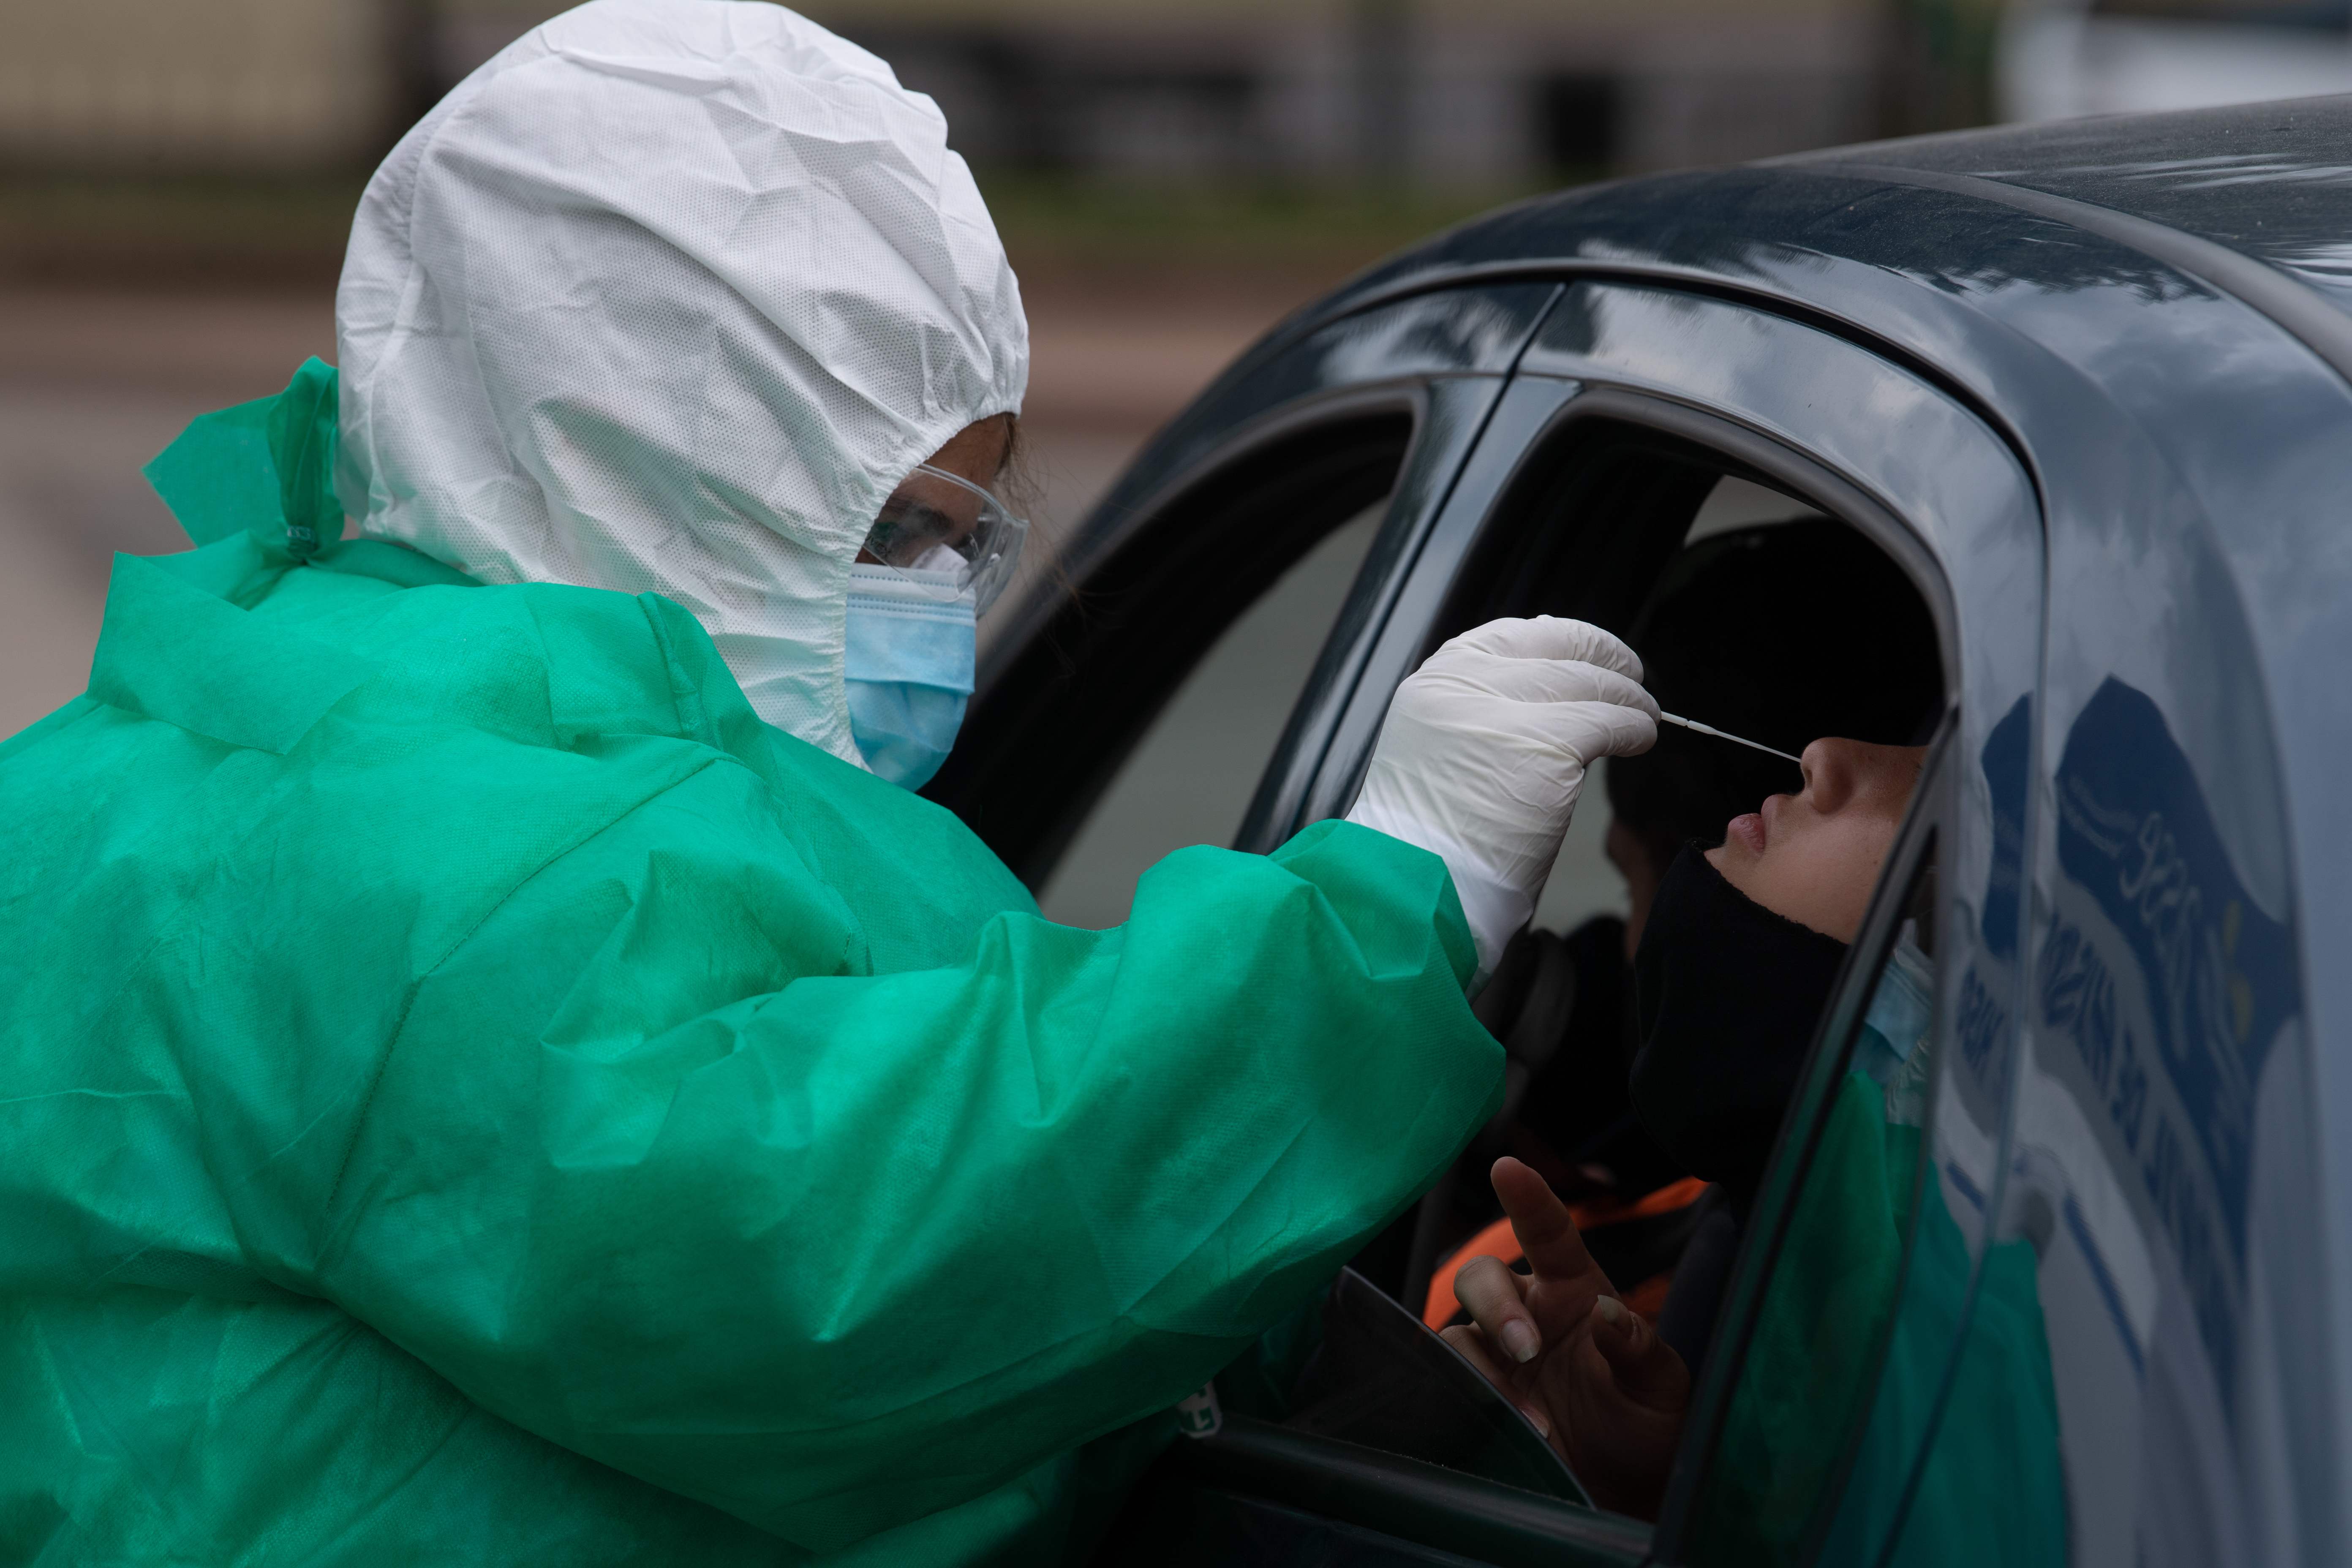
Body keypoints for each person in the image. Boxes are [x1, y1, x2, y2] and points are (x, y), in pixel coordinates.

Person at [0, 4, 1660, 1565]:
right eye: (892, 533)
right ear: (635, 470)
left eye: (961, 535)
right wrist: (1396, 897)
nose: (940, 600)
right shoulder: (458, 853)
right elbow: (837, 1263)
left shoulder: (221, 735)